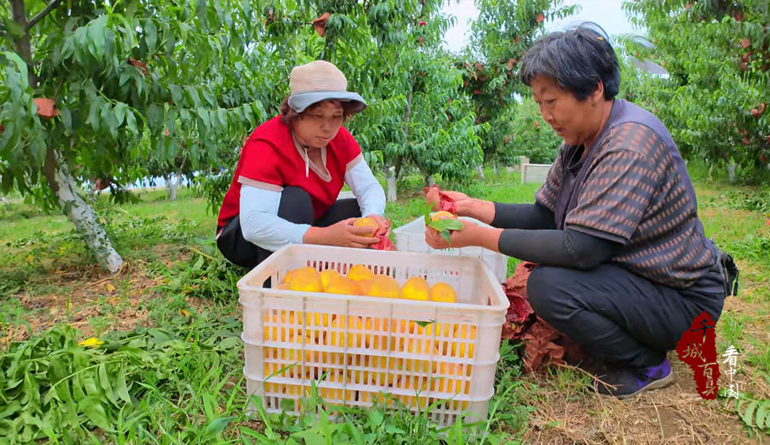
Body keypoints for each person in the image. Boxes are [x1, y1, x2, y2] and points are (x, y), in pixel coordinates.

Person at [424, 24, 732, 399]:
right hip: (641, 279)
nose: (545, 114)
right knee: (550, 278)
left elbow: (583, 250)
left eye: (551, 101)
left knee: (550, 286)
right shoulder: (580, 142)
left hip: (683, 299)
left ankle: (647, 364)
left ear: (595, 88)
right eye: (539, 103)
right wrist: (474, 208)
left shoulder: (627, 145)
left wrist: (481, 238)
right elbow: (544, 215)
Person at [216, 60, 387, 269]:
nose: (328, 127)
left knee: (356, 213)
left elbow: (368, 186)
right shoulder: (267, 142)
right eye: (317, 116)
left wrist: (373, 215)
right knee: (296, 199)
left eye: (336, 117)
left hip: (304, 221)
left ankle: (331, 272)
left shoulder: (339, 138)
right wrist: (325, 236)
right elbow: (254, 225)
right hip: (241, 238)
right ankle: (275, 280)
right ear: (295, 113)